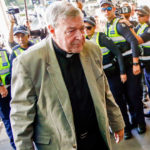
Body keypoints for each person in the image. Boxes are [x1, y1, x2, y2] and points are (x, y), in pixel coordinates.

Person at [10, 1, 125, 150]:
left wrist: (116, 122)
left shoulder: (92, 49)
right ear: (52, 30)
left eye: (82, 28)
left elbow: (104, 89)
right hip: (60, 144)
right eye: (71, 31)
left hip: (97, 138)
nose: (80, 36)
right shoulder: (28, 62)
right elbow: (21, 116)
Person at [100, 0, 146, 139]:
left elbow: (133, 41)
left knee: (133, 95)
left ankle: (140, 123)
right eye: (103, 9)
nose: (106, 11)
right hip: (121, 67)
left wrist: (136, 63)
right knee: (125, 96)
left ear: (114, 9)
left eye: (108, 8)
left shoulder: (119, 24)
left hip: (131, 65)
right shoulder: (107, 26)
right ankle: (132, 122)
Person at [123, 5, 150, 117]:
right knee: (148, 87)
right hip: (145, 63)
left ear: (148, 16)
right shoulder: (139, 27)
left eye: (141, 15)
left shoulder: (148, 28)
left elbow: (138, 40)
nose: (138, 17)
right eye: (137, 15)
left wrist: (129, 28)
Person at [0, 34, 16, 149]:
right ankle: (16, 146)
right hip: (1, 93)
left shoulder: (5, 52)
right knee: (8, 121)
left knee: (18, 116)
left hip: (11, 89)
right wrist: (1, 86)